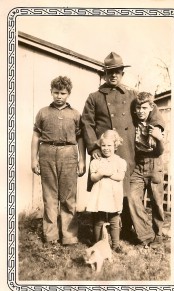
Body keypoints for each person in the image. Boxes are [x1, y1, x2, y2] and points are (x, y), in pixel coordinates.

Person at [81, 52, 137, 241]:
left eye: (118, 71)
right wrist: (93, 148)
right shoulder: (94, 97)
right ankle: (98, 231)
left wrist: (159, 127)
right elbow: (86, 123)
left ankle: (125, 230)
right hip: (103, 151)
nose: (114, 75)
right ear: (105, 73)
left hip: (125, 149)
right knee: (102, 188)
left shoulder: (131, 95)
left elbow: (147, 109)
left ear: (123, 73)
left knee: (125, 189)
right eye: (110, 72)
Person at [31, 76, 86, 246]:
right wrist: (34, 159)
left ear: (68, 93)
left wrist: (82, 160)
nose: (59, 96)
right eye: (56, 92)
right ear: (51, 92)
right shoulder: (43, 112)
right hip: (47, 152)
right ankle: (51, 235)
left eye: (63, 93)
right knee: (49, 196)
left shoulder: (75, 114)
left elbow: (80, 138)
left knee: (68, 196)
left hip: (69, 153)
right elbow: (35, 137)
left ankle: (69, 236)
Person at [129, 91, 165, 248]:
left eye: (144, 108)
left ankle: (158, 234)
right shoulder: (134, 121)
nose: (140, 111)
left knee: (156, 201)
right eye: (138, 108)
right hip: (138, 164)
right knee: (132, 197)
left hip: (154, 162)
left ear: (151, 107)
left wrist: (159, 137)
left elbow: (160, 151)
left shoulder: (156, 125)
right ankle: (145, 234)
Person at [86, 130, 127, 252]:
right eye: (103, 145)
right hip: (100, 195)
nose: (106, 148)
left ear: (115, 146)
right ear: (100, 146)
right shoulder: (96, 161)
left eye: (109, 145)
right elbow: (93, 177)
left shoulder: (120, 161)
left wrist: (109, 174)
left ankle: (115, 245)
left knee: (114, 220)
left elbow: (120, 177)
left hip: (114, 195)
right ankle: (97, 243)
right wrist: (100, 174)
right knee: (99, 220)